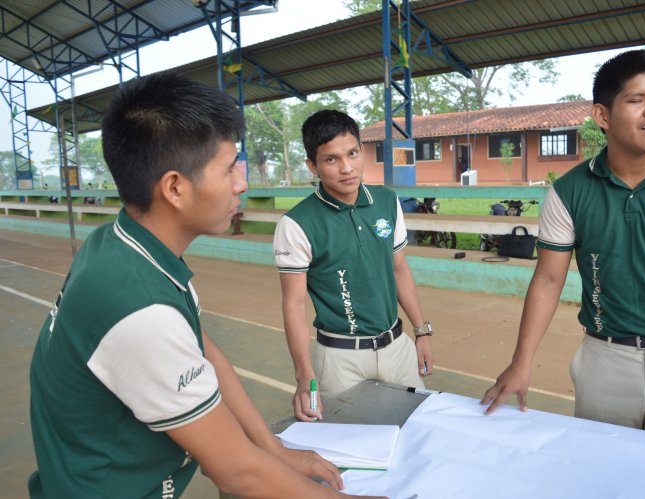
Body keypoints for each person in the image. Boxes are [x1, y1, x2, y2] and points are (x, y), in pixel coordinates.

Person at [28, 73, 383, 499]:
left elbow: (203, 350)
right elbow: (237, 473)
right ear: (175, 187)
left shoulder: (120, 244)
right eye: (229, 168)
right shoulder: (139, 309)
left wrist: (273, 449)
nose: (242, 183)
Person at [481, 50, 645, 449]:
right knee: (602, 475)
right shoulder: (568, 192)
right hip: (605, 360)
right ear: (603, 116)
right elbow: (548, 279)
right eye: (637, 100)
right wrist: (521, 363)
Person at [273, 110, 434, 421]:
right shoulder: (297, 224)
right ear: (313, 166)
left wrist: (422, 332)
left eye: (352, 153)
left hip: (398, 347)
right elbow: (293, 303)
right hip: (338, 360)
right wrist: (304, 374)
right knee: (347, 453)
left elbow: (399, 269)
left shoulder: (387, 201)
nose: (346, 168)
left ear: (362, 151)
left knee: (416, 430)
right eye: (331, 159)